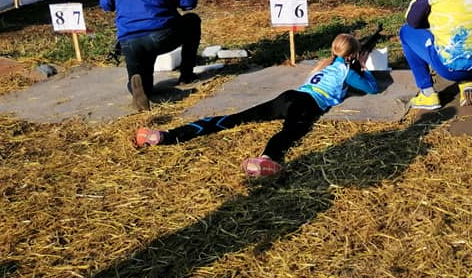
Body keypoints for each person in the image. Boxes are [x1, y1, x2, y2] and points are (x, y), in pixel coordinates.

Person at [133, 33, 379, 178]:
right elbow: (372, 87)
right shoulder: (347, 69)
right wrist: (363, 66)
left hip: (290, 95)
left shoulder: (324, 64)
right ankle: (265, 159)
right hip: (309, 104)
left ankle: (165, 135)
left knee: (235, 118)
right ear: (351, 55)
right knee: (289, 133)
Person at [99, 0, 201, 111]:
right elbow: (188, 3)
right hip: (162, 34)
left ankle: (137, 89)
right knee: (192, 21)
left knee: (143, 83)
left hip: (129, 41)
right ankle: (186, 76)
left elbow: (105, 5)